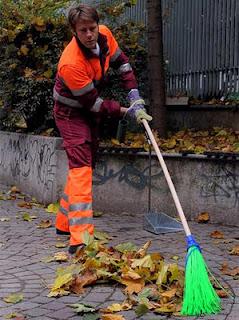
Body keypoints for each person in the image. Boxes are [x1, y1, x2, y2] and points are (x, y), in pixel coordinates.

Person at [53, 3, 152, 254]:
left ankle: (64, 222)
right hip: (70, 113)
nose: (89, 35)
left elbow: (123, 64)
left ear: (98, 25)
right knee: (82, 168)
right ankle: (80, 238)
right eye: (83, 30)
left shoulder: (105, 35)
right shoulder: (70, 63)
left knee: (83, 165)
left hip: (87, 109)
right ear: (74, 32)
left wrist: (134, 97)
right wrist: (125, 111)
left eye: (92, 28)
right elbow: (94, 104)